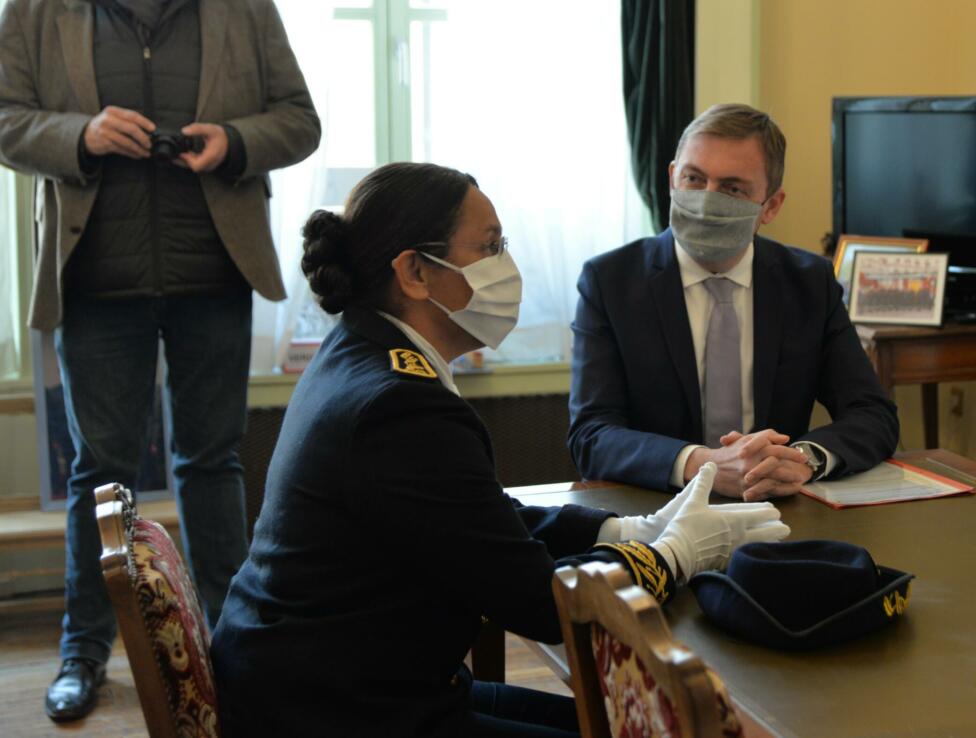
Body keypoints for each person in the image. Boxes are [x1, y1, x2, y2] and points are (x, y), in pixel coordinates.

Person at [210, 162, 789, 738]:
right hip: (340, 714)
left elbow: (475, 518)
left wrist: (621, 532)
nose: (506, 265)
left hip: (341, 682)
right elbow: (539, 603)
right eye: (489, 247)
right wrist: (672, 556)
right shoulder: (400, 407)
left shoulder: (362, 351)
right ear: (414, 271)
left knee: (615, 724)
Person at [0, 0, 320, 722]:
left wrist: (234, 142)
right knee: (101, 470)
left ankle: (236, 645)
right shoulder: (38, 10)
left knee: (213, 461)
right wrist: (80, 133)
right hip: (96, 282)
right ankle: (83, 652)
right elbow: (5, 117)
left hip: (215, 272)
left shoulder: (244, 8)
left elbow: (299, 119)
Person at [568, 103, 898, 501]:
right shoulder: (610, 282)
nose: (707, 200)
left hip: (775, 512)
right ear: (673, 177)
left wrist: (801, 459)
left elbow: (872, 414)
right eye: (694, 178)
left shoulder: (808, 283)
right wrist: (699, 464)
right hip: (654, 513)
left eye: (732, 188)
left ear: (771, 206)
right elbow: (591, 435)